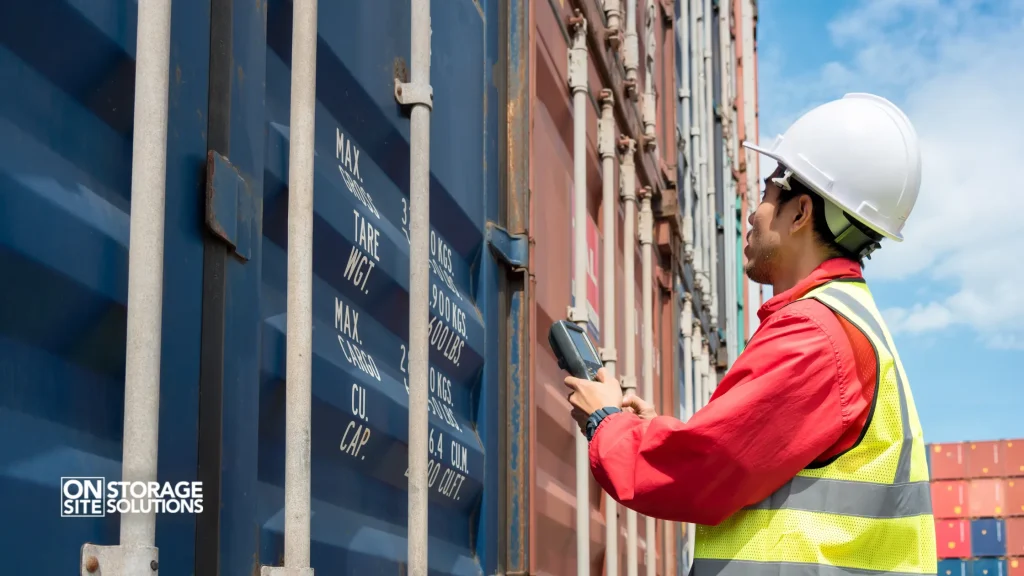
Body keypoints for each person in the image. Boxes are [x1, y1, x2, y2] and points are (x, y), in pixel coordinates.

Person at [564, 93, 937, 576]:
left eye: (765, 193)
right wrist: (661, 432)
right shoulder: (846, 322)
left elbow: (707, 471)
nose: (752, 211)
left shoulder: (815, 334)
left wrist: (607, 423)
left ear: (800, 212)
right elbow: (760, 464)